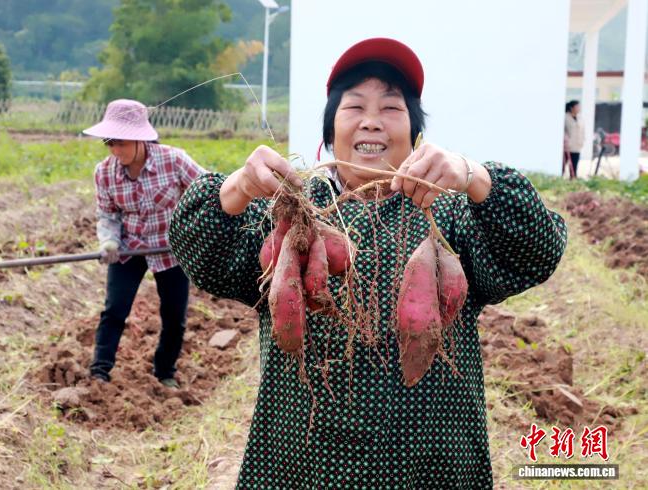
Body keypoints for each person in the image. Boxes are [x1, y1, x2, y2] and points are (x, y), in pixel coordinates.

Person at [168, 38, 568, 488]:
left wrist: (474, 176)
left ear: (416, 134)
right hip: (302, 462)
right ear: (329, 132)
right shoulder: (290, 212)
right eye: (354, 106)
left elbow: (539, 252)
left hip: (429, 463)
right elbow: (202, 255)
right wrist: (238, 187)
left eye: (391, 108)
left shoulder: (452, 213)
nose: (372, 121)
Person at [83, 99, 206, 388]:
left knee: (174, 316)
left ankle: (165, 372)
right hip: (129, 248)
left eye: (122, 143)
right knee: (114, 310)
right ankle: (99, 372)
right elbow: (108, 215)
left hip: (171, 248)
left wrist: (196, 229)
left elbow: (208, 190)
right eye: (110, 143)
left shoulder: (174, 160)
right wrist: (109, 242)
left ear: (140, 139)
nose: (116, 151)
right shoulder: (104, 173)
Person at [564, 100, 584, 179]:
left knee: (574, 166)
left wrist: (582, 140)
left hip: (577, 146)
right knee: (563, 166)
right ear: (571, 108)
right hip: (567, 147)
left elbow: (582, 130)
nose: (579, 108)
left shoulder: (580, 118)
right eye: (577, 106)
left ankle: (573, 181)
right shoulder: (565, 117)